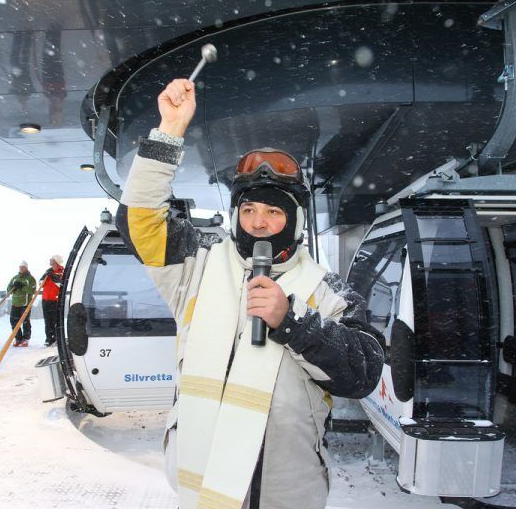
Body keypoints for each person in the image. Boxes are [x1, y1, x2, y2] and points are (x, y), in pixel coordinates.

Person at [115, 79, 384, 509]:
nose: (258, 223)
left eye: (274, 211)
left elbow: (363, 371)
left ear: (294, 222)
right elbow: (140, 221)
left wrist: (294, 325)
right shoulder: (196, 264)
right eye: (249, 210)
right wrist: (168, 132)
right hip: (198, 482)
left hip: (284, 491)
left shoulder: (327, 290)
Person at [7, 261, 36, 347]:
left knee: (25, 322)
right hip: (15, 303)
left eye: (23, 267)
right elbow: (8, 289)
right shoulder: (15, 278)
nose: (22, 268)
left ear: (27, 268)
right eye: (20, 267)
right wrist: (13, 287)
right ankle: (18, 338)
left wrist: (22, 287)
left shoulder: (30, 279)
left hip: (25, 304)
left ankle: (26, 339)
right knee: (13, 321)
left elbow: (32, 290)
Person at [41, 254, 64, 346]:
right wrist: (46, 276)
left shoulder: (62, 272)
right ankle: (49, 338)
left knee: (56, 320)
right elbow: (40, 283)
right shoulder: (48, 272)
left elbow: (61, 284)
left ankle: (56, 338)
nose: (50, 260)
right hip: (46, 299)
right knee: (47, 321)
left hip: (56, 300)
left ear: (56, 261)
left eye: (51, 259)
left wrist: (53, 277)